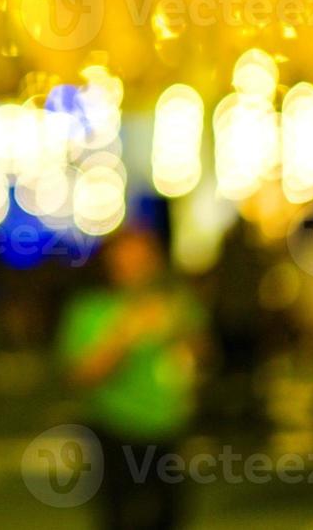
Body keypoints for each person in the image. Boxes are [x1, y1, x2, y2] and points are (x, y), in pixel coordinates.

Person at [58, 225, 207, 529]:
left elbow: (203, 356)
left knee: (171, 515)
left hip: (169, 426)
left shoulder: (175, 302)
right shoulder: (91, 308)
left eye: (143, 259)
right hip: (114, 428)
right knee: (119, 516)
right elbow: (80, 375)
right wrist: (125, 334)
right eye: (127, 260)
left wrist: (181, 336)